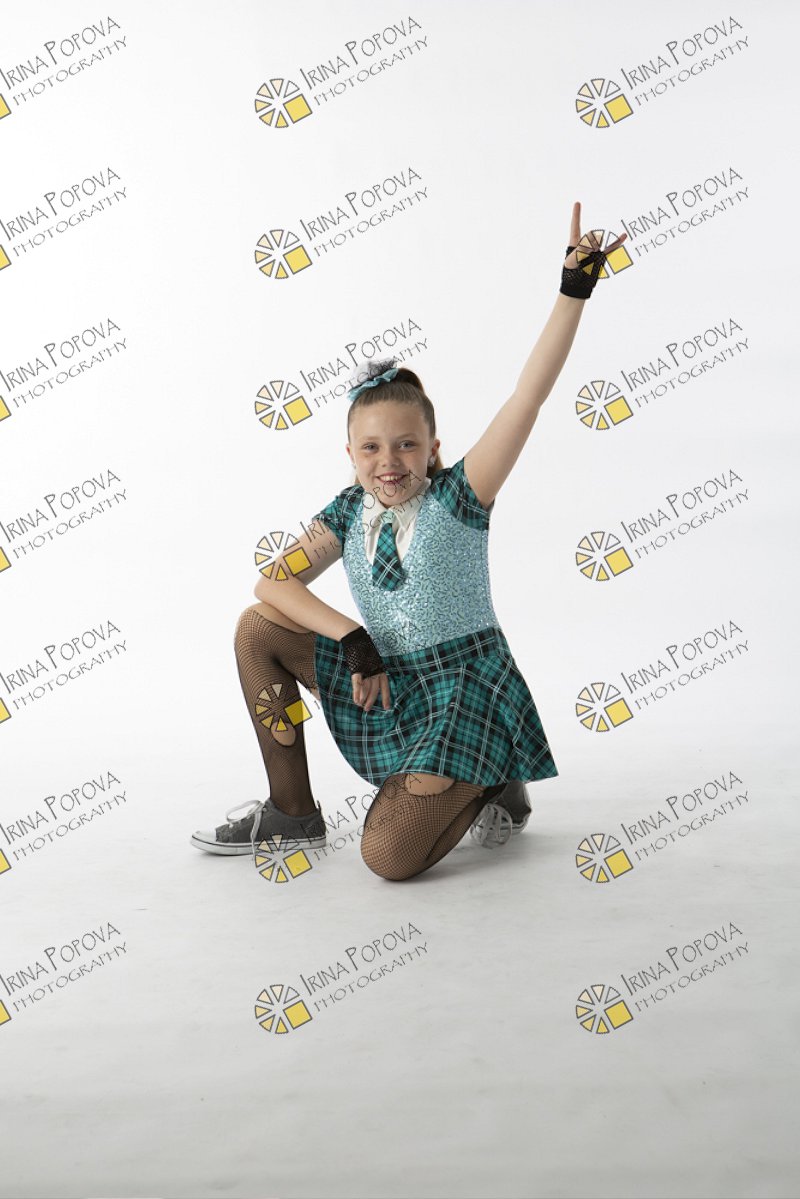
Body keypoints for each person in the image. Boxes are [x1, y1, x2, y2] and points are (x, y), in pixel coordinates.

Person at [191, 203, 627, 881]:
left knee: (388, 858)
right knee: (258, 628)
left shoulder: (461, 496)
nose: (388, 462)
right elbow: (271, 582)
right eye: (371, 447)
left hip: (462, 691)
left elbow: (526, 398)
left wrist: (573, 290)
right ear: (350, 453)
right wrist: (353, 638)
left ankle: (489, 774)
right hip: (390, 680)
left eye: (405, 445)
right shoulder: (347, 511)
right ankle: (292, 810)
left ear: (432, 447)